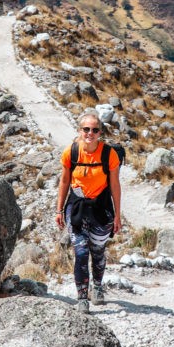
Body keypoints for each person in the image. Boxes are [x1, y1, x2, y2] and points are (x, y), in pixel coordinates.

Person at [55, 110, 122, 313]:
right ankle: (82, 297)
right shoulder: (71, 152)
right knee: (81, 252)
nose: (90, 133)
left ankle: (98, 287)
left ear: (100, 132)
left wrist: (118, 215)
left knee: (98, 251)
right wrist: (59, 210)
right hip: (76, 207)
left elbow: (115, 185)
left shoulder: (108, 154)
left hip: (101, 209)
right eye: (86, 129)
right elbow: (65, 181)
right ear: (79, 130)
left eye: (94, 130)